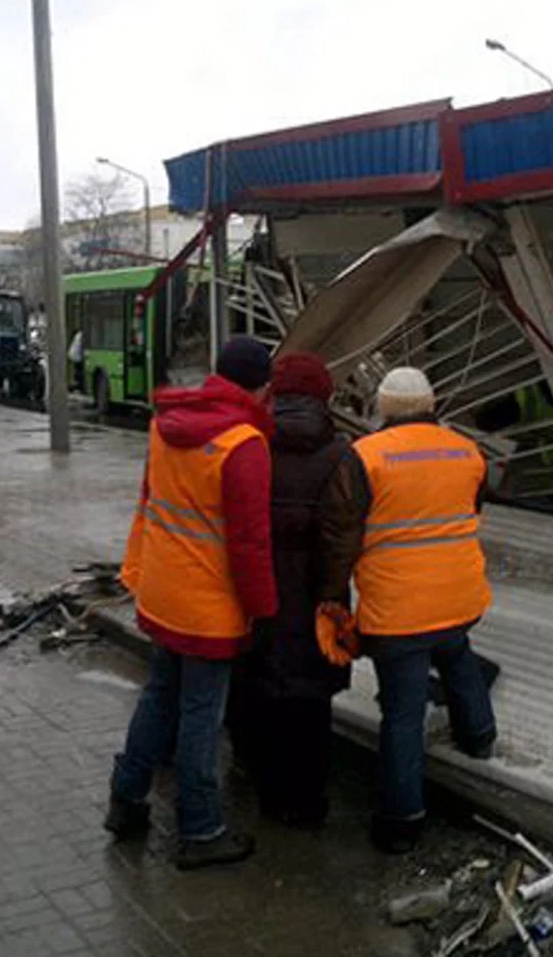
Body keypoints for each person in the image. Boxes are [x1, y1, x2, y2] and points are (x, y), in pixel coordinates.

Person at [105, 336, 277, 871]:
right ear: (262, 387)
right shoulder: (243, 444)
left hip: (163, 589)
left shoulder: (164, 424)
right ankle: (200, 829)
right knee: (202, 713)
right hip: (209, 602)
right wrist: (264, 609)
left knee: (159, 695)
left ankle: (126, 801)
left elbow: (150, 501)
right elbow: (250, 542)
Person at [319, 366, 497, 855]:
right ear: (431, 403)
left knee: (402, 711)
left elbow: (340, 539)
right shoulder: (467, 452)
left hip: (398, 608)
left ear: (383, 407)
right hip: (458, 594)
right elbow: (472, 510)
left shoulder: (364, 458)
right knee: (457, 654)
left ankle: (401, 821)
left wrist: (334, 602)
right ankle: (479, 737)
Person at [226, 352, 352, 826]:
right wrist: (334, 600)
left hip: (257, 592)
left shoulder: (249, 442)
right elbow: (344, 537)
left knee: (257, 684)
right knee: (311, 698)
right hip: (317, 596)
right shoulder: (341, 454)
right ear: (325, 398)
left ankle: (261, 783)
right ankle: (307, 802)